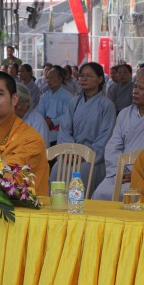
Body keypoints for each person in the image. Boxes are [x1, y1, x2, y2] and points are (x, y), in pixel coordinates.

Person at [92, 69, 144, 201]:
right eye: (135, 87)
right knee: (101, 193)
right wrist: (119, 171)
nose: (135, 91)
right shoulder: (124, 113)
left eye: (141, 88)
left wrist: (139, 173)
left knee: (133, 197)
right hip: (120, 172)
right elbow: (113, 146)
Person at [53, 62, 116, 195]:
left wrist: (83, 155)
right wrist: (71, 152)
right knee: (56, 169)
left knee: (83, 172)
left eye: (89, 76)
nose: (83, 79)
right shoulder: (74, 102)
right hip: (71, 154)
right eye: (81, 76)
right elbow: (65, 129)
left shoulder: (107, 105)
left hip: (91, 158)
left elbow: (105, 136)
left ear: (100, 79)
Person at [36, 65, 73, 145]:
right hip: (46, 126)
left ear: (60, 79)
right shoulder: (44, 96)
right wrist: (43, 122)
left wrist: (53, 122)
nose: (48, 81)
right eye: (48, 78)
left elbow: (68, 115)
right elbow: (39, 112)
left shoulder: (67, 96)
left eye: (51, 78)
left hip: (61, 129)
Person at [14, 83, 49, 147]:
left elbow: (40, 148)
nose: (12, 107)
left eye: (16, 105)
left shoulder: (37, 122)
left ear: (26, 103)